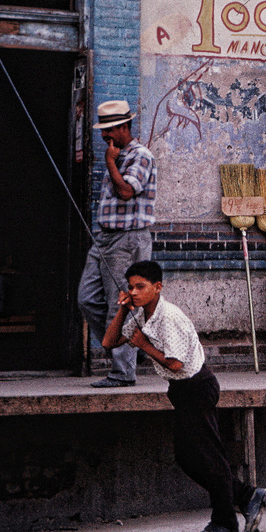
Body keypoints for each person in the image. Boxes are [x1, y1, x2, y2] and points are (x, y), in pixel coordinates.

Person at [102, 260, 266, 532]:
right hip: (180, 391)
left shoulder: (170, 317)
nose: (135, 292)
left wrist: (143, 345)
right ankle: (246, 495)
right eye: (131, 287)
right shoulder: (142, 315)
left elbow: (177, 364)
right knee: (187, 457)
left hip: (197, 387)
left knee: (210, 456)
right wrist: (122, 308)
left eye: (140, 287)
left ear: (158, 287)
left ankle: (224, 522)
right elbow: (109, 342)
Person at [80, 100, 157, 388]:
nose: (104, 137)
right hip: (104, 238)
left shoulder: (140, 156)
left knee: (121, 305)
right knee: (86, 298)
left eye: (109, 131)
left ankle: (123, 372)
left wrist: (111, 162)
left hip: (127, 239)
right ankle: (126, 346)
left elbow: (126, 192)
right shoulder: (116, 153)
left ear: (124, 127)